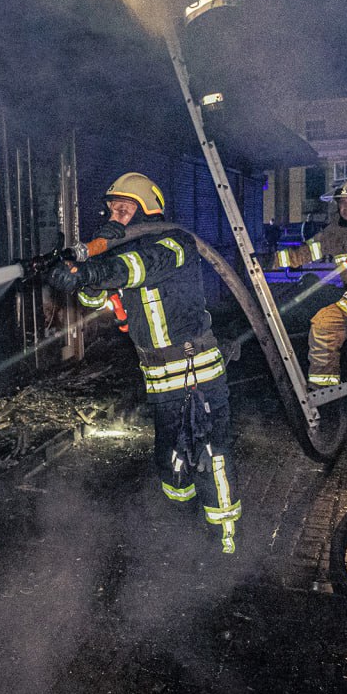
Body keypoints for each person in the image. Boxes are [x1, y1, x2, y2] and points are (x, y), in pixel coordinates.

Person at [45, 172, 241, 553]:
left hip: (195, 369)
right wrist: (82, 275)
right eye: (112, 210)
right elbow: (92, 301)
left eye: (124, 209)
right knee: (170, 457)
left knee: (211, 452)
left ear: (147, 210)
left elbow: (137, 268)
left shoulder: (174, 243)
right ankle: (182, 524)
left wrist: (93, 269)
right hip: (159, 379)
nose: (115, 216)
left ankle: (225, 536)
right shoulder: (117, 257)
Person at [266, 179, 347, 388]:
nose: (346, 208)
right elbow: (306, 252)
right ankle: (323, 387)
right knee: (324, 323)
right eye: (342, 202)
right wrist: (269, 261)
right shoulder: (333, 232)